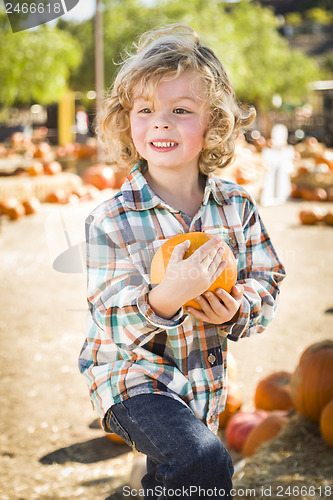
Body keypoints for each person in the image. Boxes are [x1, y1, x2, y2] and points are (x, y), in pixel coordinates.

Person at [79, 24, 286, 499]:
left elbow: (267, 277)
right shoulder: (111, 218)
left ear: (213, 122)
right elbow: (108, 315)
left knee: (189, 472)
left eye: (181, 110)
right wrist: (168, 295)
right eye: (146, 110)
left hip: (201, 382)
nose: (161, 123)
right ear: (126, 120)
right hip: (130, 377)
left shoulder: (236, 207)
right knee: (202, 458)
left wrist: (239, 308)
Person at [260, 124, 295, 206]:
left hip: (282, 177)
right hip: (271, 176)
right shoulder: (268, 151)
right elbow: (266, 163)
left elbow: (289, 165)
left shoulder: (288, 150)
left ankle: (281, 196)